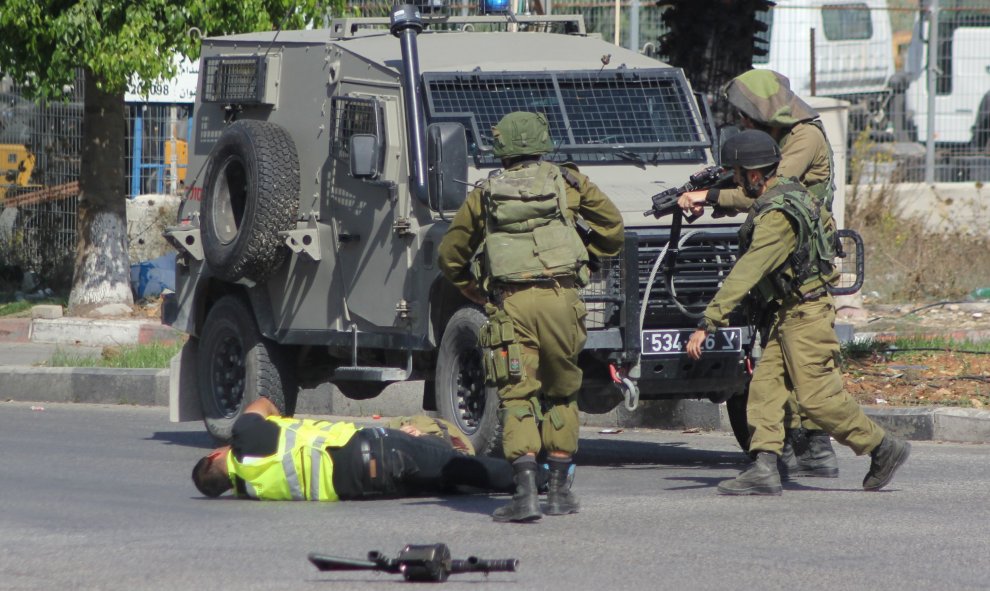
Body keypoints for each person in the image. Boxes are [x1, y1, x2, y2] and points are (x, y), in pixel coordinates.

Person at [682, 129, 910, 496]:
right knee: (766, 390)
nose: (736, 182)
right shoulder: (787, 187)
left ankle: (883, 447)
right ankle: (764, 468)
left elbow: (748, 271)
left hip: (805, 316)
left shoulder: (777, 219)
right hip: (789, 312)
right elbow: (744, 199)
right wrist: (709, 197)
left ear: (755, 175)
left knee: (817, 400)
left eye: (738, 174)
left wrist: (708, 322)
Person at [438, 111, 624, 522]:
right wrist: (586, 259)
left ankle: (524, 494)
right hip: (563, 300)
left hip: (511, 304)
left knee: (517, 393)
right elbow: (613, 228)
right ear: (543, 143)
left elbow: (450, 256)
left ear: (501, 148)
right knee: (561, 391)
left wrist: (472, 288)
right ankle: (558, 493)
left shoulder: (485, 193)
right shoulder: (569, 183)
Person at [681, 68, 840, 479]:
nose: (742, 124)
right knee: (776, 361)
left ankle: (821, 448)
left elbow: (768, 191)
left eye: (746, 117)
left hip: (800, 260)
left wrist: (712, 195)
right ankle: (788, 451)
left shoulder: (804, 138)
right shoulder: (786, 137)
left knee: (798, 363)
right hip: (785, 261)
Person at [191, 396, 515, 501]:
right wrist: (281, 421)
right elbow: (264, 403)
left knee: (452, 484)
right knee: (457, 465)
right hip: (367, 449)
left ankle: (516, 481)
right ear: (214, 455)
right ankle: (536, 477)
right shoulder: (244, 438)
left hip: (366, 486)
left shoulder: (251, 490)